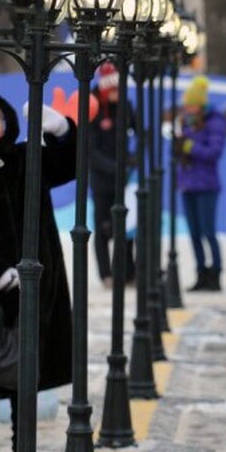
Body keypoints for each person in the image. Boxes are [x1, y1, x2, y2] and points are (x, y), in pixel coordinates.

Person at [0, 90, 76, 452]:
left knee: (24, 370)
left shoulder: (25, 157)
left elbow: (71, 163)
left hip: (35, 281)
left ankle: (20, 450)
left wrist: (60, 128)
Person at [175, 75, 226, 292]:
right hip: (188, 185)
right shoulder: (187, 123)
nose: (186, 109)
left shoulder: (215, 122)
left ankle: (215, 274)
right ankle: (200, 274)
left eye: (190, 105)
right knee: (194, 233)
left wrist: (190, 148)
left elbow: (214, 152)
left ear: (199, 105)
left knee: (208, 232)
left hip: (207, 186)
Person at [88, 62, 135, 287]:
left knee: (125, 227)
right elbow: (90, 150)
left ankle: (125, 272)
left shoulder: (124, 104)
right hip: (101, 179)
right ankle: (106, 275)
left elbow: (140, 129)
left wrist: (133, 160)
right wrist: (113, 167)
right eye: (113, 90)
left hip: (122, 178)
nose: (117, 93)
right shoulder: (92, 105)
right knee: (103, 228)